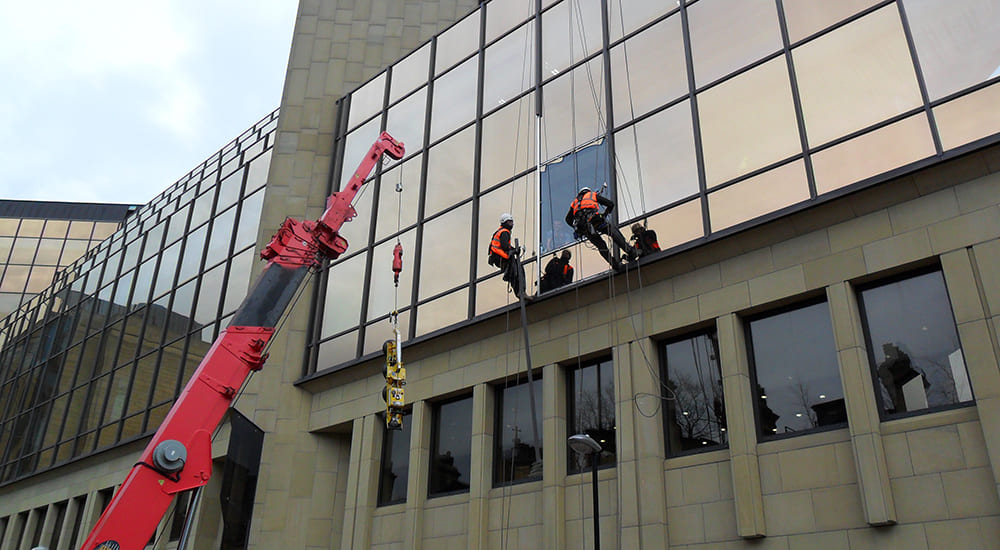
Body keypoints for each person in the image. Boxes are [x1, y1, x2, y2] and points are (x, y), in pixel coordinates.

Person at [565, 186, 635, 270]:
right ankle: (630, 251)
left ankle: (614, 264)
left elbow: (568, 219)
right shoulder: (591, 195)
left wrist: (575, 227)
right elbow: (610, 204)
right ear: (587, 191)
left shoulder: (575, 203)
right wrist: (605, 214)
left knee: (601, 245)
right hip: (594, 220)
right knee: (612, 231)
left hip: (583, 228)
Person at [488, 213, 523, 296]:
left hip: (498, 258)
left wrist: (514, 250)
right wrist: (515, 250)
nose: (511, 224)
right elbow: (505, 246)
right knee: (517, 270)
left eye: (512, 222)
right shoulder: (504, 232)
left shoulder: (501, 231)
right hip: (500, 258)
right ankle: (520, 292)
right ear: (504, 222)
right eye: (509, 222)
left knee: (515, 272)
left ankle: (519, 292)